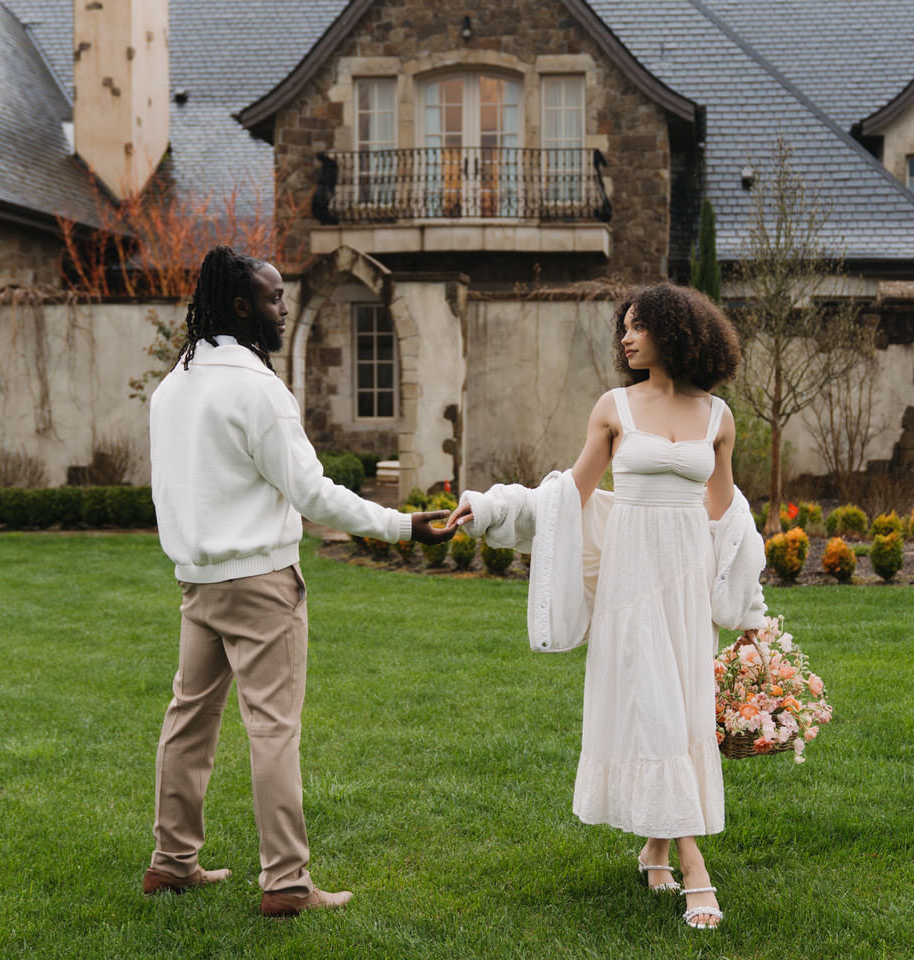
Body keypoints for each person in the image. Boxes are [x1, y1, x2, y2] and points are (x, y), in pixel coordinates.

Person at [143, 245, 456, 916]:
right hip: (260, 586)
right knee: (272, 730)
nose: (282, 309)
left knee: (188, 721)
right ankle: (286, 882)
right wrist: (405, 527)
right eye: (273, 297)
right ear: (240, 306)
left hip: (198, 586)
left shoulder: (173, 387)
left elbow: (167, 491)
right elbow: (314, 496)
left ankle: (171, 863)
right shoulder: (258, 389)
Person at [450, 282, 763, 931]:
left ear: (674, 332)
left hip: (685, 584)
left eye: (638, 325)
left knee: (677, 711)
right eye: (623, 326)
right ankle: (694, 868)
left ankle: (654, 845)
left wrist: (747, 604)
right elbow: (567, 495)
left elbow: (726, 514)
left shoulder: (717, 417)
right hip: (630, 579)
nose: (625, 337)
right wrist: (491, 509)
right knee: (651, 706)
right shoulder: (613, 407)